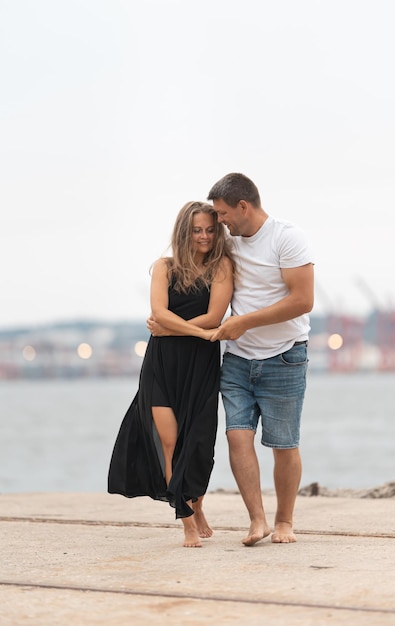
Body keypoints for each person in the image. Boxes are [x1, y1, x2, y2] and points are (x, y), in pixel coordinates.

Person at [108, 201, 234, 548]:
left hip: (201, 365)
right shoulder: (163, 267)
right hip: (161, 364)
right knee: (169, 442)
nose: (205, 236)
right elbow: (158, 312)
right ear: (184, 232)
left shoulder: (222, 266)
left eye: (210, 229)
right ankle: (186, 519)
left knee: (198, 443)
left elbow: (214, 317)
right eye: (197, 230)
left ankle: (197, 502)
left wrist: (176, 329)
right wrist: (194, 332)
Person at [207, 173, 314, 546]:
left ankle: (284, 521)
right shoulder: (229, 244)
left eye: (222, 214)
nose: (219, 221)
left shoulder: (288, 238)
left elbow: (303, 301)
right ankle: (258, 521)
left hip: (284, 357)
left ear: (243, 206)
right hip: (237, 360)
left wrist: (244, 322)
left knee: (284, 444)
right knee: (237, 437)